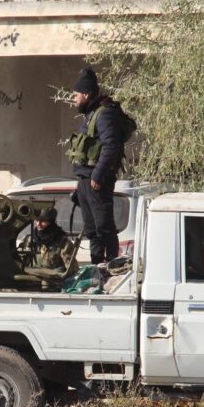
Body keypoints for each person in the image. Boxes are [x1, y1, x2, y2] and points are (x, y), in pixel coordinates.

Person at [66, 66, 132, 264]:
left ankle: (111, 269)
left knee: (104, 229)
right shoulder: (91, 113)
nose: (74, 98)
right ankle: (97, 269)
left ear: (86, 94)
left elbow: (110, 147)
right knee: (93, 231)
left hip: (97, 181)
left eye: (76, 95)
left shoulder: (105, 114)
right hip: (86, 180)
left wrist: (98, 175)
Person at [18, 207, 76, 271]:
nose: (38, 224)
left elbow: (71, 270)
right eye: (37, 220)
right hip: (32, 278)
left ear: (51, 223)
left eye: (43, 221)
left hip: (53, 279)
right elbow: (20, 263)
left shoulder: (63, 243)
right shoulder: (29, 239)